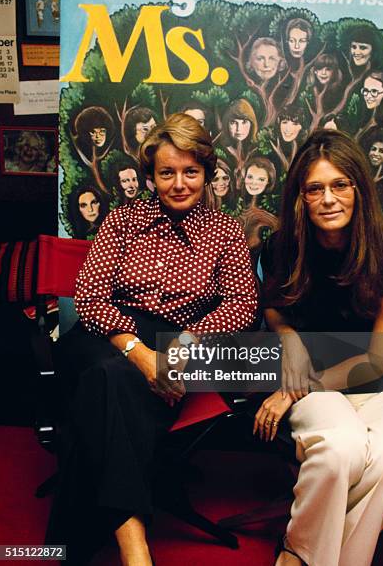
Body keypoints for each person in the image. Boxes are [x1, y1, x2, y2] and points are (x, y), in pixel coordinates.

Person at [46, 113, 258, 565]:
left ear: (207, 174)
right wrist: (137, 351)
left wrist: (188, 340)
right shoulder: (123, 221)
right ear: (150, 177)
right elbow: (90, 299)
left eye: (190, 172)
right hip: (104, 334)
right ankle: (135, 549)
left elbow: (242, 304)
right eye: (166, 173)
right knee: (111, 372)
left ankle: (114, 543)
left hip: (177, 342)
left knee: (108, 384)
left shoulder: (225, 232)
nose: (179, 183)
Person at [258, 129, 383, 566]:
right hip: (318, 388)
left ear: (359, 188)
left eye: (339, 184)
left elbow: (378, 360)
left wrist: (293, 390)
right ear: (301, 198)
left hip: (382, 384)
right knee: (340, 448)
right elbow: (273, 310)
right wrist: (290, 340)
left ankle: (297, 555)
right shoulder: (282, 249)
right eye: (315, 188)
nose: (328, 198)